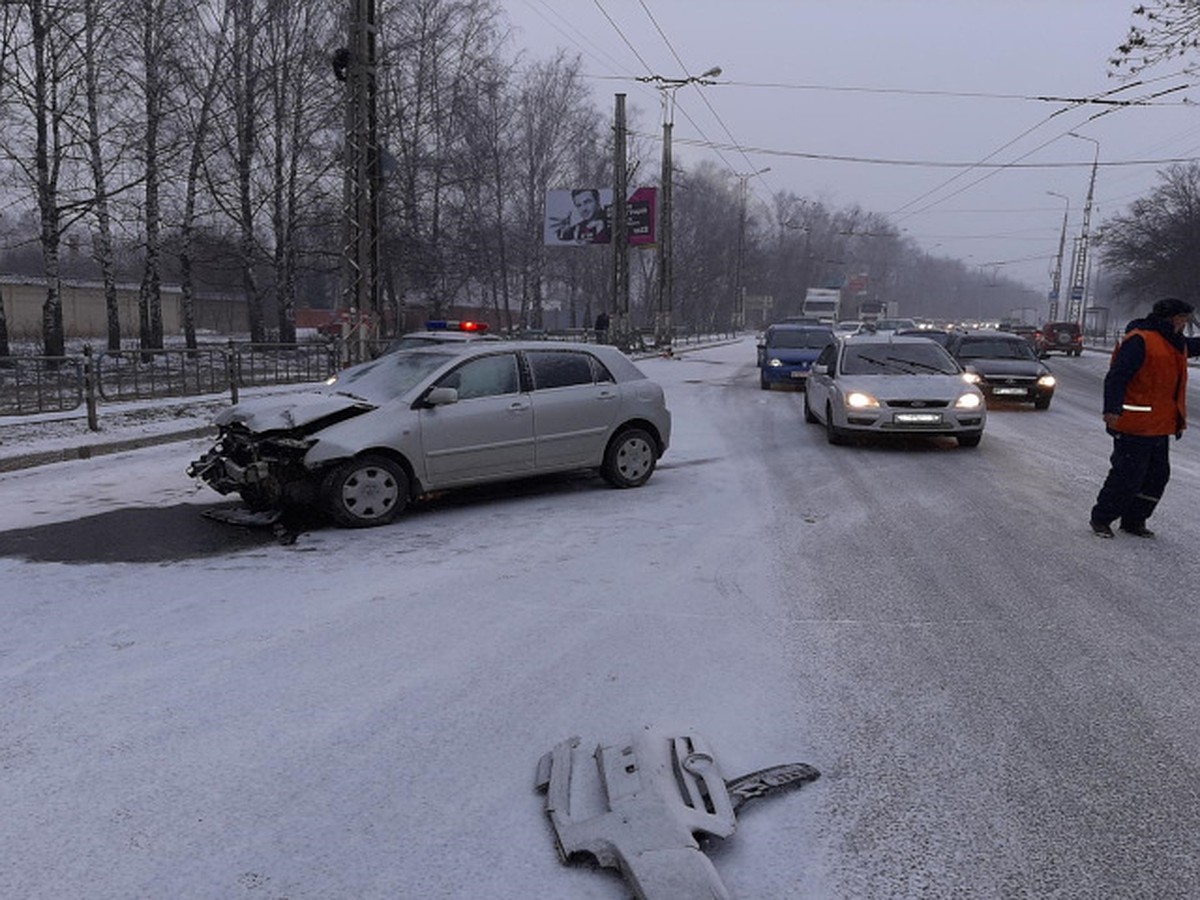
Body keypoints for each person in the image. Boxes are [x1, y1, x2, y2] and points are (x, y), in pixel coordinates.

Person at [1090, 297, 1200, 538]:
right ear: (1171, 318)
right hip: (1133, 424)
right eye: (1182, 319)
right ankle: (1102, 519)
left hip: (1160, 426)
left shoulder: (1174, 342)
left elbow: (1193, 346)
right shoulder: (1140, 340)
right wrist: (1112, 410)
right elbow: (1117, 376)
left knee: (1157, 477)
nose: (1184, 323)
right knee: (1127, 475)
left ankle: (1134, 520)